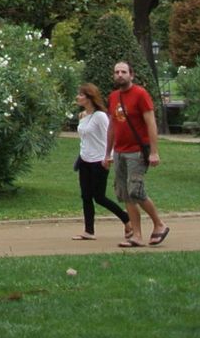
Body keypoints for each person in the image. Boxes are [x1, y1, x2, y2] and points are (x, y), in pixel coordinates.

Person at [108, 61, 168, 247]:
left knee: (136, 191)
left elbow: (151, 122)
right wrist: (107, 153)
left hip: (137, 151)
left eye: (123, 72)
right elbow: (112, 126)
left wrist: (154, 151)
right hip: (119, 151)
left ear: (131, 75)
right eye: (117, 72)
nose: (120, 75)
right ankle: (137, 235)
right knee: (125, 194)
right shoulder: (113, 97)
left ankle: (159, 224)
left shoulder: (140, 94)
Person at [72, 83, 128, 241]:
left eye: (82, 95)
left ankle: (127, 219)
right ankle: (88, 231)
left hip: (99, 161)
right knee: (86, 196)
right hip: (85, 160)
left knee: (99, 197)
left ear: (90, 98)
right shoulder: (83, 116)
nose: (78, 97)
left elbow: (110, 136)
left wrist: (108, 157)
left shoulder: (101, 116)